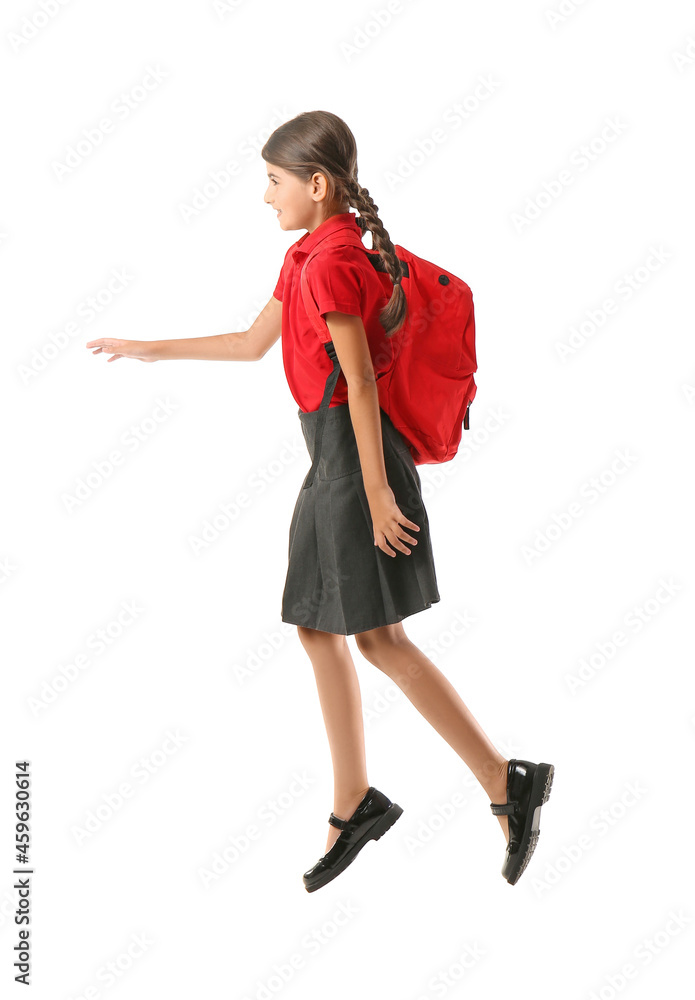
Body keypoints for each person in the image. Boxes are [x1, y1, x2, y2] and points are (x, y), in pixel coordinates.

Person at [86, 109, 554, 892]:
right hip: (330, 464)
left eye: (273, 182)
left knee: (379, 641)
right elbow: (249, 343)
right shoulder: (304, 254)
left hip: (353, 463)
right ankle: (361, 798)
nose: (265, 197)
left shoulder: (334, 261)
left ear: (316, 183)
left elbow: (363, 380)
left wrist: (374, 492)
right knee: (319, 629)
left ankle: (502, 783)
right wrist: (149, 346)